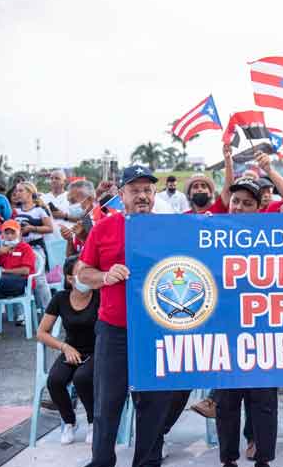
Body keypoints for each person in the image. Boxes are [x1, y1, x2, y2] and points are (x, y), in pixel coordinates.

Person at [78, 165, 190, 467]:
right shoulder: (104, 228)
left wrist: (205, 230)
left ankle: (148, 461)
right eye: (135, 190)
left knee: (154, 402)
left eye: (147, 190)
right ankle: (101, 461)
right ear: (121, 194)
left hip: (158, 329)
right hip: (115, 329)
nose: (142, 196)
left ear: (154, 194)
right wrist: (105, 276)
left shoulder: (171, 227)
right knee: (107, 402)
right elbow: (82, 273)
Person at [213, 175, 279, 467]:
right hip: (225, 330)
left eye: (247, 203)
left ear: (258, 208)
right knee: (227, 403)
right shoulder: (208, 230)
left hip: (263, 328)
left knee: (263, 401)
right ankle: (228, 459)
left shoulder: (272, 232)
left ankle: (263, 459)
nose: (239, 207)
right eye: (235, 201)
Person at [36, 255, 100, 445]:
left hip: (98, 350)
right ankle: (69, 421)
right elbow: (42, 333)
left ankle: (93, 421)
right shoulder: (60, 298)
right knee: (55, 380)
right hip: (71, 349)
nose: (88, 276)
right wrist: (64, 347)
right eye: (82, 273)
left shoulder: (100, 295)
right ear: (70, 279)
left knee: (82, 378)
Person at [0, 220, 36, 340]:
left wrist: (3, 271)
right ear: (2, 235)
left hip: (21, 283)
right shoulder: (2, 250)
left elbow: (25, 271)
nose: (10, 236)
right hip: (3, 284)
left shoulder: (25, 248)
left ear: (19, 234)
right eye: (7, 233)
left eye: (13, 233)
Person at [13, 181, 54, 251]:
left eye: (21, 191)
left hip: (36, 247)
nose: (17, 193)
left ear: (30, 192)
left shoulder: (40, 209)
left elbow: (50, 229)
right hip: (19, 247)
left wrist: (31, 228)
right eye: (16, 191)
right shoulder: (15, 210)